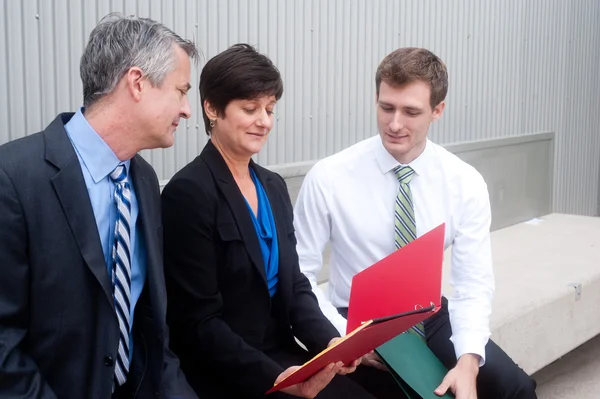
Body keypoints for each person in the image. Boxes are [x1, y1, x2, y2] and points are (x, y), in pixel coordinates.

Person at [294, 47, 538, 399]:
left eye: (411, 112)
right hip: (355, 319)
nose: (394, 124)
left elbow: (472, 283)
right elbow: (300, 272)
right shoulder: (329, 176)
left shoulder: (464, 182)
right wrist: (341, 338)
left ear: (438, 111)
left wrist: (468, 362)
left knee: (513, 388)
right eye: (386, 107)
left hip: (428, 311)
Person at [161, 44, 390, 399]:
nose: (264, 121)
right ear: (212, 108)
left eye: (269, 109)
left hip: (285, 354)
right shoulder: (188, 194)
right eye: (250, 108)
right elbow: (198, 323)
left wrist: (332, 342)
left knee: (387, 385)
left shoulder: (272, 186)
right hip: (228, 370)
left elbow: (295, 284)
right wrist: (278, 377)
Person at [0, 13, 199, 399]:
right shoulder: (13, 179)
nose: (187, 109)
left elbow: (150, 332)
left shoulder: (143, 181)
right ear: (138, 83)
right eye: (181, 90)